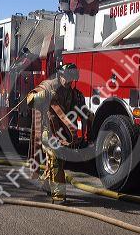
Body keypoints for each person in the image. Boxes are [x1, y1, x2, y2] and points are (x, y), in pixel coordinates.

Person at [27, 64, 93, 203]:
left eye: (72, 78)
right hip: (47, 132)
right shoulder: (48, 86)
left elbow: (81, 108)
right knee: (55, 160)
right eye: (67, 77)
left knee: (58, 162)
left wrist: (88, 114)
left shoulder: (73, 93)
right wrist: (40, 95)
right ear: (60, 75)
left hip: (62, 134)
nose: (69, 81)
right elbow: (29, 99)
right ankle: (58, 195)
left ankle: (46, 183)